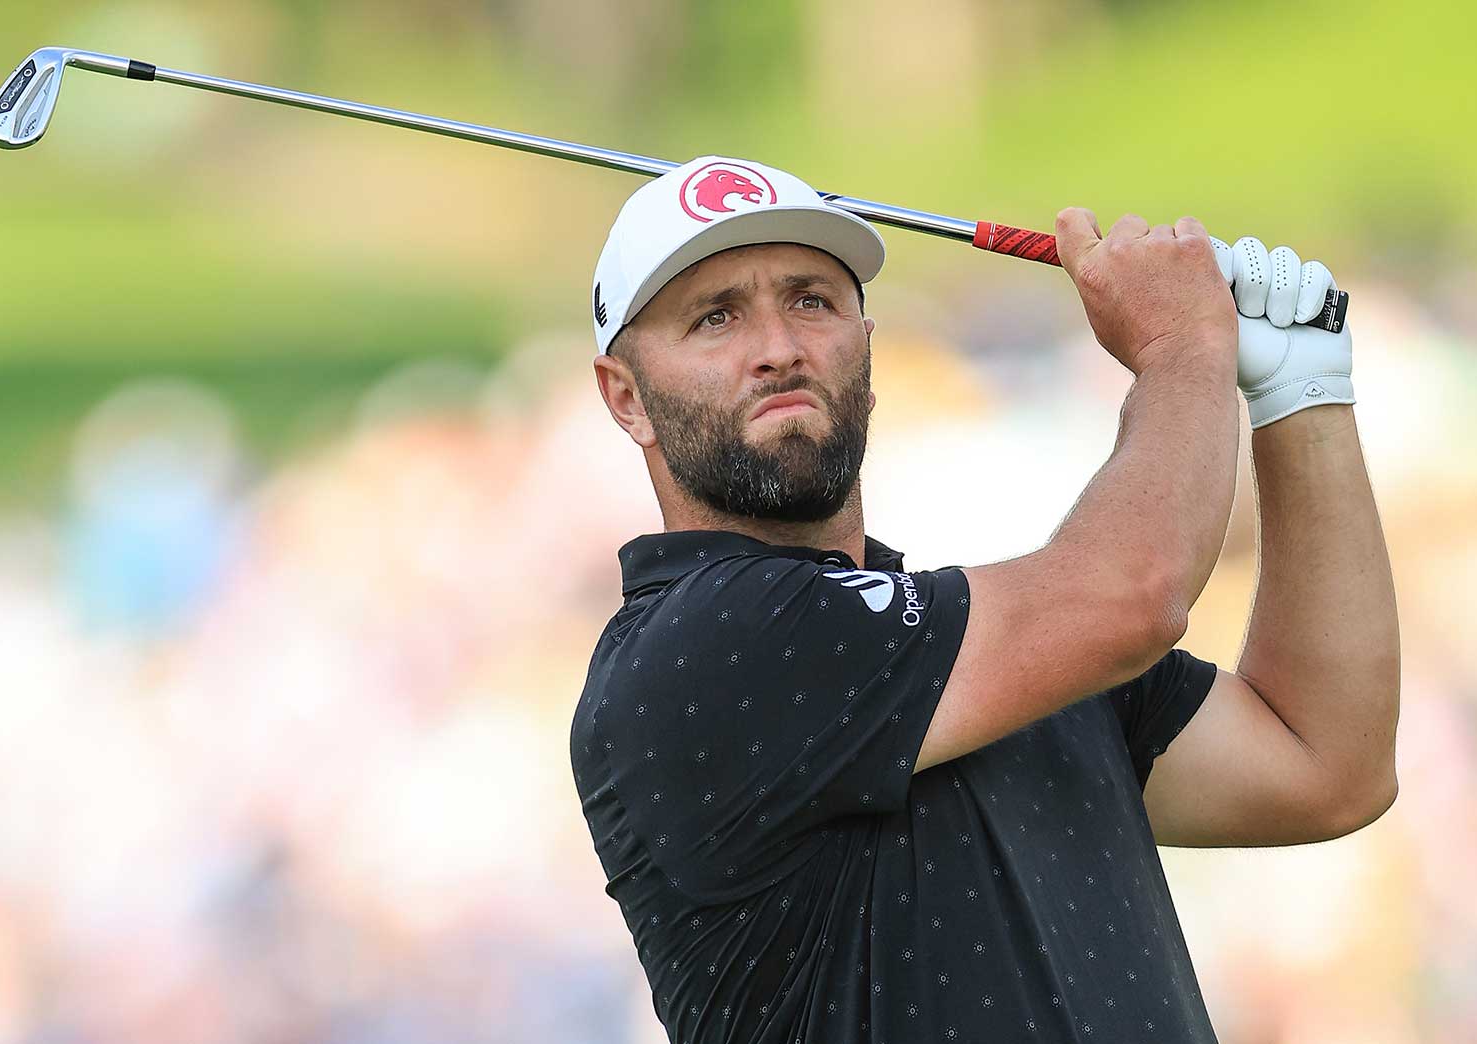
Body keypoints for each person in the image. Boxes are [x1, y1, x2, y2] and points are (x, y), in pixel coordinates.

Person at [570, 155, 1400, 1043]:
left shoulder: (988, 649)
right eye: (716, 317)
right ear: (627, 398)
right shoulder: (694, 642)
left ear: (867, 347)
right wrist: (1181, 347)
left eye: (812, 300)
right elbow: (1137, 595)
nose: (779, 346)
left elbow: (1324, 764)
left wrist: (1301, 392)